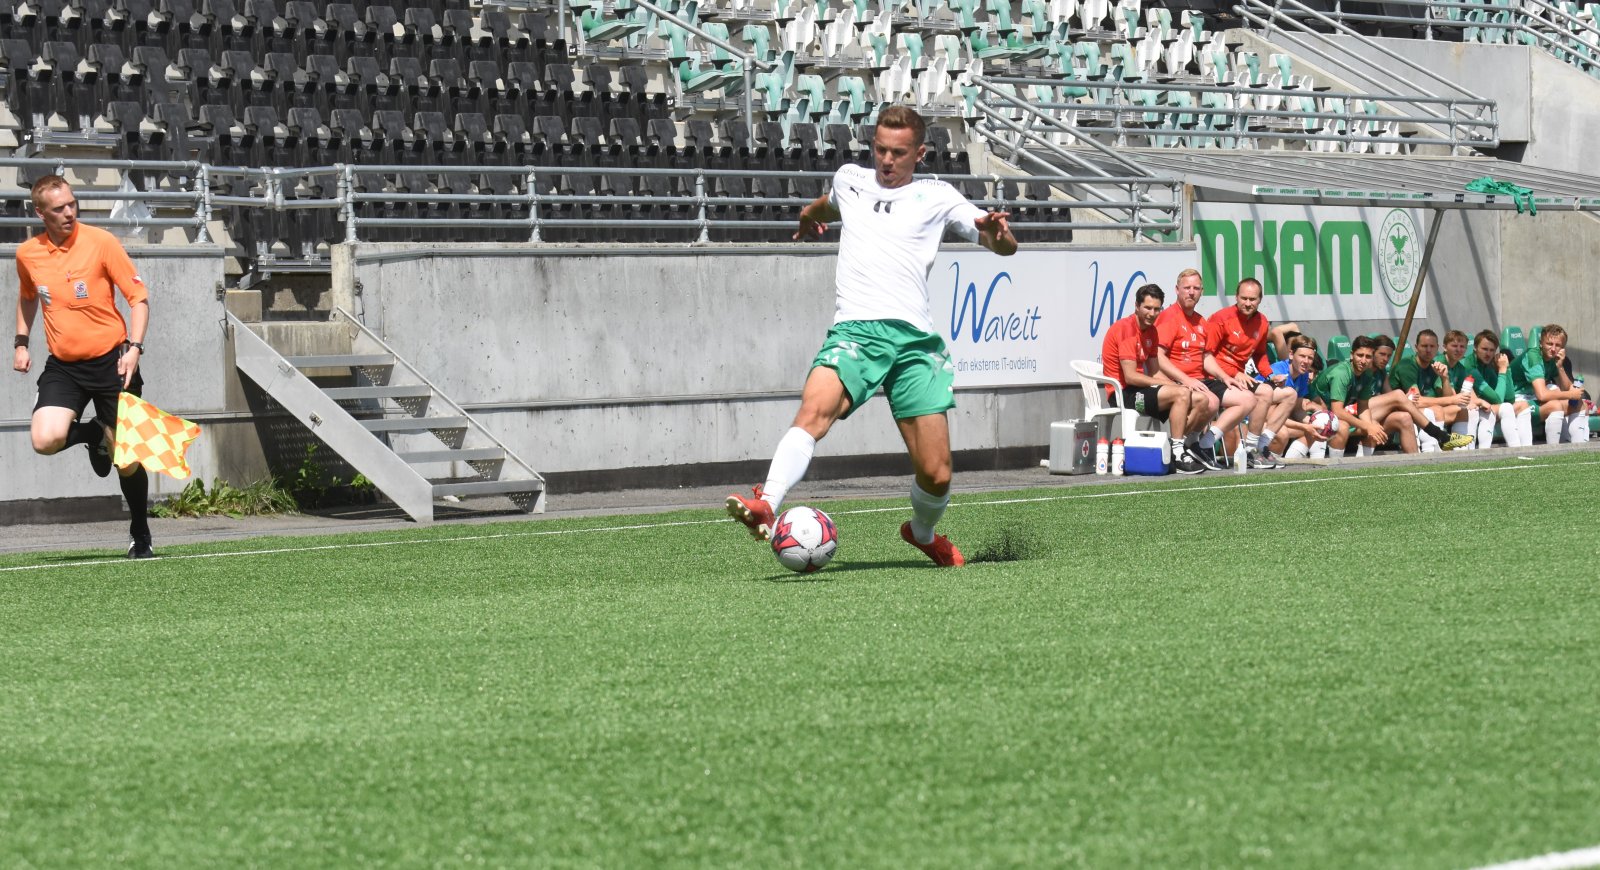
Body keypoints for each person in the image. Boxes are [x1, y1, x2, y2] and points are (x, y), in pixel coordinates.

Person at [724, 106, 1017, 567]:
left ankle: (921, 533)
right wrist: (807, 217)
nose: (886, 160)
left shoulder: (937, 196)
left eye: (898, 152)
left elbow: (1001, 244)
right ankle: (767, 501)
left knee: (937, 474)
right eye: (880, 149)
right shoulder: (850, 179)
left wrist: (997, 234)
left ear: (920, 154)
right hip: (856, 330)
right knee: (814, 411)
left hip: (915, 341)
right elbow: (826, 205)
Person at [12, 174, 154, 558]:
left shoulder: (101, 242)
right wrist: (21, 342)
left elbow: (138, 298)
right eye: (59, 208)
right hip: (65, 366)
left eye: (72, 204)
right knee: (44, 439)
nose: (69, 213)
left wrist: (135, 348)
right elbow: (27, 296)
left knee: (126, 460)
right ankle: (95, 434)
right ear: (40, 213)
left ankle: (140, 533)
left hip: (114, 362)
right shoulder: (28, 254)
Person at [1100, 284, 1209, 474]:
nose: (1152, 314)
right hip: (1123, 394)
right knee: (1182, 394)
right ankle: (1177, 454)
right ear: (1136, 306)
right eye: (1147, 308)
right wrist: (1173, 386)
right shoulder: (1126, 329)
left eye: (1157, 309)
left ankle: (1176, 445)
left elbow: (1155, 371)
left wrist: (1177, 384)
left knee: (1202, 399)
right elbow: (1131, 377)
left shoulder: (1151, 331)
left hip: (1140, 390)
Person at [1154, 268, 1250, 469]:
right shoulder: (1169, 317)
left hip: (1200, 380)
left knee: (1247, 399)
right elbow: (1158, 357)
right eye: (1187, 288)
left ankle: (1201, 443)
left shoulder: (1201, 321)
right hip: (1178, 380)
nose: (1191, 292)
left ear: (1201, 291)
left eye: (1196, 288)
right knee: (1211, 402)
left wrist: (1224, 377)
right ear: (1177, 290)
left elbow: (1206, 357)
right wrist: (1186, 380)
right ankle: (1179, 445)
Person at [1206, 278, 1296, 468]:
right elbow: (1206, 356)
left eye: (1252, 299)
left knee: (1290, 394)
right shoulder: (1220, 318)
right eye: (1244, 298)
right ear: (1236, 297)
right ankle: (1251, 449)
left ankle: (1259, 447)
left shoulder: (1262, 321)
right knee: (1264, 392)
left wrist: (1270, 375)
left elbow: (1260, 354)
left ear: (1260, 299)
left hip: (1239, 380)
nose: (1247, 303)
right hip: (1216, 378)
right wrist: (1233, 373)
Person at [1513, 323, 1589, 445]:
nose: (1553, 349)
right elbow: (1542, 395)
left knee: (1581, 404)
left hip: (1532, 398)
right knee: (1555, 405)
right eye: (1549, 344)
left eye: (1558, 345)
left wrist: (1560, 367)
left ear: (1563, 347)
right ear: (1541, 343)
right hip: (1517, 401)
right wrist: (1570, 394)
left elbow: (1567, 388)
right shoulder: (1534, 357)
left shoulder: (1555, 358)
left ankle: (1579, 448)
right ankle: (1553, 450)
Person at [1390, 329, 1465, 452]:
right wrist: (1452, 399)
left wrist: (1444, 378)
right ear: (1416, 347)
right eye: (1424, 346)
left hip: (1423, 411)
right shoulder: (1407, 365)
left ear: (1437, 348)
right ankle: (1430, 451)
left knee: (1462, 411)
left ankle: (1462, 452)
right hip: (1398, 412)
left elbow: (1446, 399)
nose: (1428, 350)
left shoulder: (1435, 366)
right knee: (1435, 410)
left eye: (1432, 346)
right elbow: (1416, 401)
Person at [1259, 334, 1328, 459]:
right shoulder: (1278, 373)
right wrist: (1305, 427)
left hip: (1272, 422)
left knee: (1319, 429)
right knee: (1282, 434)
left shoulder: (1303, 375)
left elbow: (1298, 410)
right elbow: (1270, 417)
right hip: (1251, 421)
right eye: (1302, 356)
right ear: (1291, 354)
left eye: (1310, 358)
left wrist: (1317, 422)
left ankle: (1285, 462)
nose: (1306, 361)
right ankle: (1265, 461)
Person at [1464, 329, 1523, 448]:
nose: (1488, 354)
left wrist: (1507, 369)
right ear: (1475, 348)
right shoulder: (1470, 366)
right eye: (1484, 349)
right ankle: (1516, 449)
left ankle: (1521, 449)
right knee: (1505, 408)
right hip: (1468, 409)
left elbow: (1510, 398)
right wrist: (1502, 370)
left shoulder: (1487, 365)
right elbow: (1498, 399)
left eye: (1492, 350)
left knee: (1520, 406)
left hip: (1484, 408)